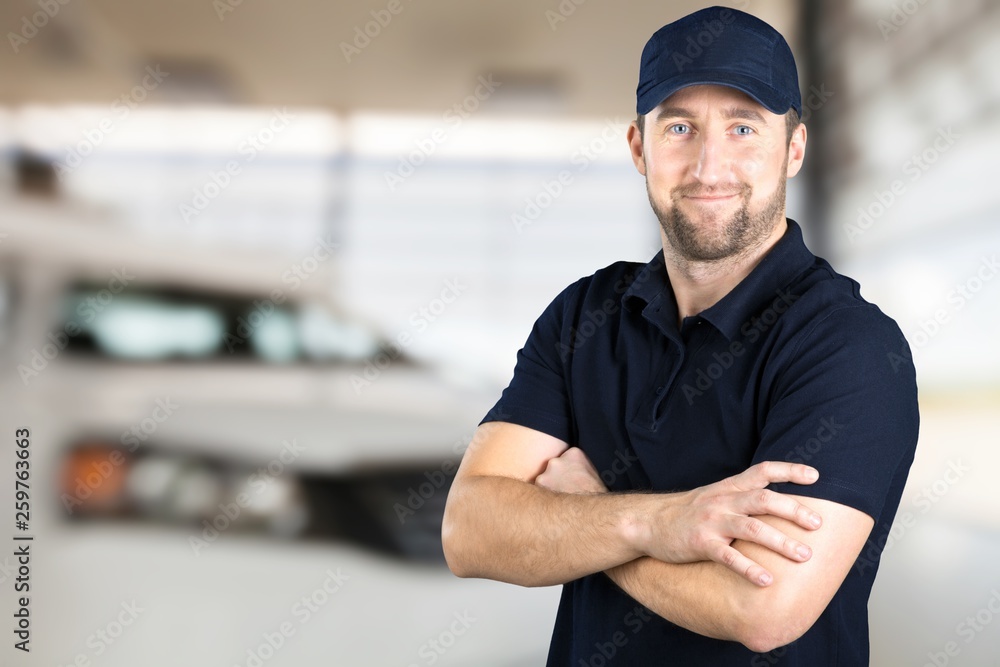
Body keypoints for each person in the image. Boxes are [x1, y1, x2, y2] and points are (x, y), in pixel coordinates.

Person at [441, 6, 918, 665]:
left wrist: (587, 515)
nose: (708, 164)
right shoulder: (583, 316)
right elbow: (469, 530)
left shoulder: (849, 346)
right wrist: (654, 523)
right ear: (639, 147)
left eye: (743, 126)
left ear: (795, 149)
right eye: (680, 127)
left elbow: (763, 607)